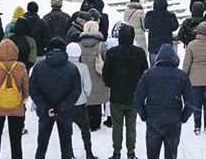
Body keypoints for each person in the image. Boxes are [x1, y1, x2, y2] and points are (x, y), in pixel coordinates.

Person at [134, 43, 193, 159]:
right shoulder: (181, 76)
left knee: (152, 154)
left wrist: (144, 115)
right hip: (173, 121)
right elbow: (191, 102)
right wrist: (183, 117)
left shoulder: (148, 74)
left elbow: (138, 98)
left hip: (153, 120)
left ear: (158, 58)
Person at [29, 37, 82, 159]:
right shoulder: (72, 68)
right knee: (66, 146)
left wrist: (45, 106)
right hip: (65, 112)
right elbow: (76, 91)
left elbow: (33, 88)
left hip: (45, 112)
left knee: (41, 146)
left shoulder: (39, 67)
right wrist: (61, 107)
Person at [103, 25, 149, 159]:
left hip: (117, 94)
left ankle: (116, 153)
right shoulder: (139, 53)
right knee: (131, 125)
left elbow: (106, 73)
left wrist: (111, 84)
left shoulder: (112, 53)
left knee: (117, 125)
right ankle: (131, 152)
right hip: (133, 95)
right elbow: (144, 73)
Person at [0, 39, 30, 159]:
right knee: (16, 141)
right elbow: (26, 86)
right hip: (16, 106)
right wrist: (24, 98)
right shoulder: (20, 66)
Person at [182, 22, 206, 135]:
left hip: (195, 78)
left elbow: (187, 64)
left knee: (197, 103)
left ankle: (197, 126)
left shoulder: (191, 45)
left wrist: (184, 76)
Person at [65, 42, 97, 159]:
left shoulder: (63, 67)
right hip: (80, 102)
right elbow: (88, 87)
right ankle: (89, 153)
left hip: (67, 104)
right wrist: (84, 95)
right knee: (85, 128)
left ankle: (69, 153)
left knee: (67, 130)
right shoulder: (83, 67)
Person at [79, 21, 109, 132]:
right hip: (97, 76)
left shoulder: (79, 44)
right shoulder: (101, 45)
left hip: (84, 76)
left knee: (86, 100)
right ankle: (96, 123)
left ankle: (86, 121)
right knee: (97, 101)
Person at [144, 0, 179, 67]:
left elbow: (146, 25)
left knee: (153, 69)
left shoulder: (150, 14)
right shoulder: (170, 15)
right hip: (166, 46)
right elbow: (175, 26)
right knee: (167, 69)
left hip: (154, 45)